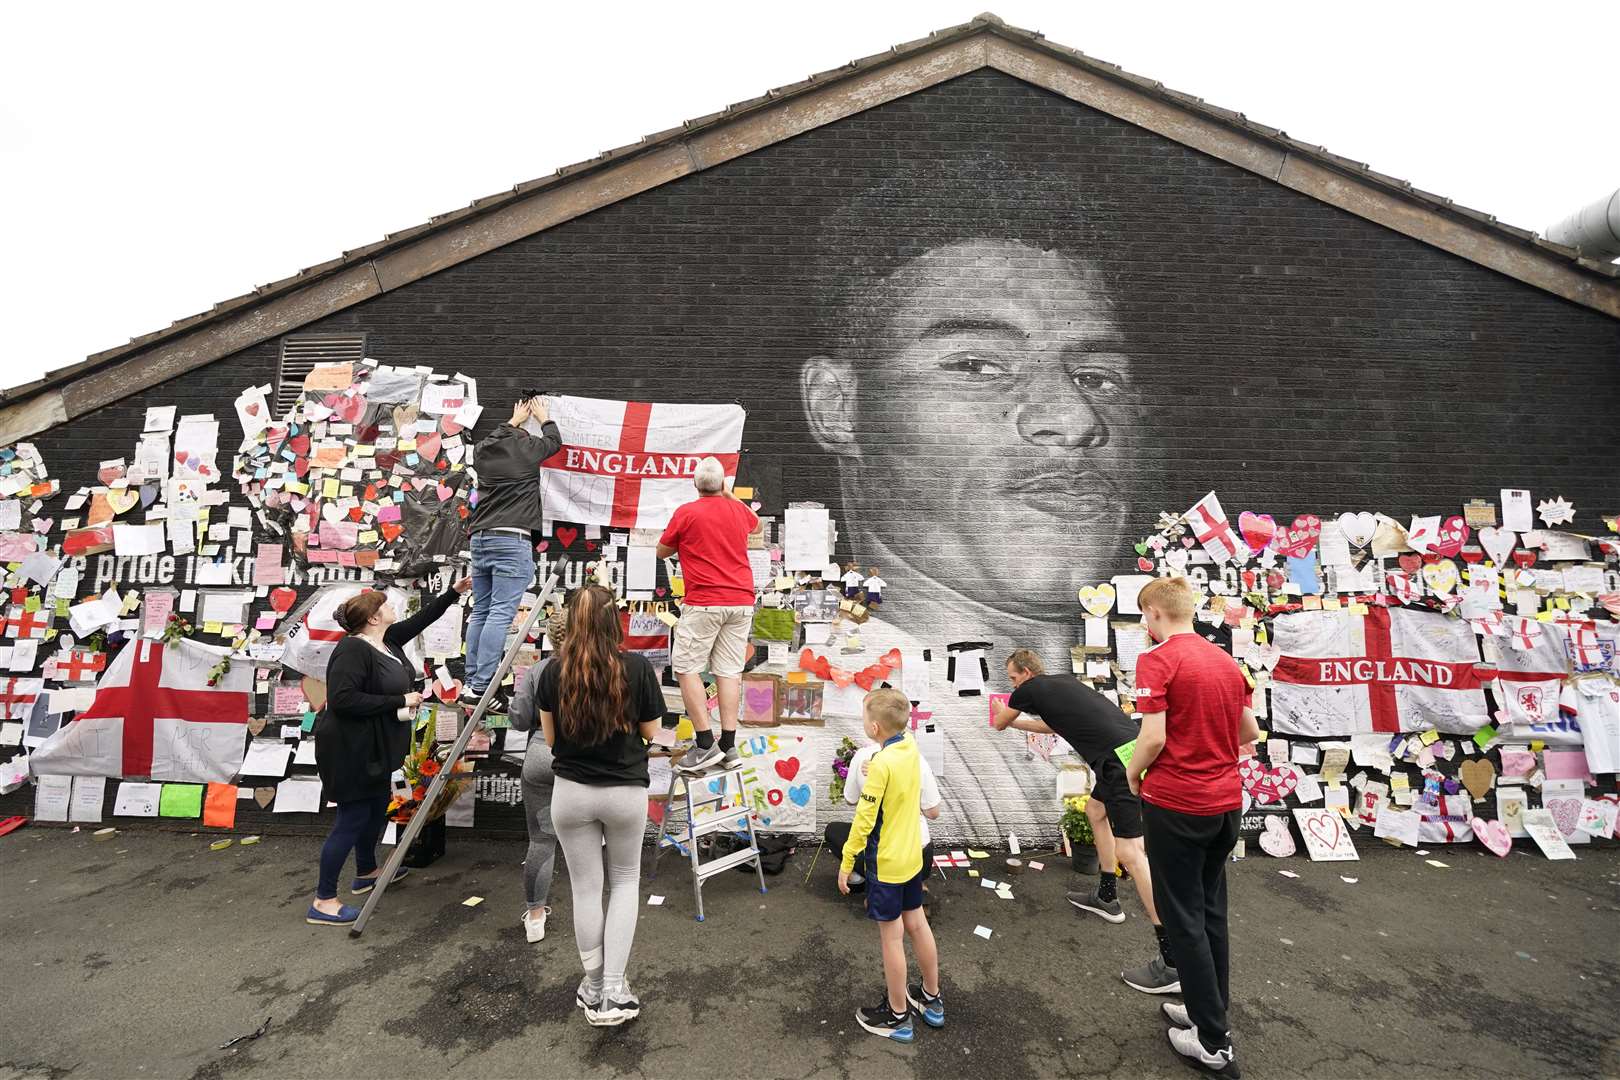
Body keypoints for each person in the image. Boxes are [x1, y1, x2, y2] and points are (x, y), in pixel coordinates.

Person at [796, 158, 1145, 838]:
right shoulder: (826, 738)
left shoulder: (1143, 700)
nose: (1074, 419)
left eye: (1100, 376)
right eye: (976, 367)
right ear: (839, 408)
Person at [1125, 576, 1257, 1077]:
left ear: (1157, 612)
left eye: (1143, 615)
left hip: (1178, 805)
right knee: (1210, 913)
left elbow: (1152, 737)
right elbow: (1248, 731)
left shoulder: (1157, 660)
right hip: (1225, 804)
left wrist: (1133, 775)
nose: (1143, 624)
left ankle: (1213, 1043)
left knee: (1183, 921)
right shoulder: (1225, 660)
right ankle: (1210, 1012)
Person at [992, 649, 1176, 988]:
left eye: (1013, 677)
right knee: (1095, 810)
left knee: (1132, 854)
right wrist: (1017, 720)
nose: (1012, 684)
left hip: (1119, 765)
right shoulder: (1061, 683)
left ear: (1027, 674)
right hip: (1124, 753)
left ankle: (1173, 959)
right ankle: (1107, 896)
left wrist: (1003, 713)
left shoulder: (1028, 690)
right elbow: (1050, 726)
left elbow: (1000, 723)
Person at [537, 584, 666, 1026]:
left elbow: (551, 741)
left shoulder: (553, 672)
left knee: (585, 890)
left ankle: (591, 985)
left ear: (572, 620)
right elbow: (651, 731)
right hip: (625, 792)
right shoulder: (637, 668)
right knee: (625, 883)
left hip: (570, 793)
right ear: (617, 620)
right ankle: (614, 988)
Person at [308, 577, 471, 926]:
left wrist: (454, 593)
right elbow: (342, 699)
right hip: (350, 749)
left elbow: (421, 619)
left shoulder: (388, 642)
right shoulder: (353, 649)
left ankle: (366, 872)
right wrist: (400, 700)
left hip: (377, 745)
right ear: (372, 618)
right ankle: (323, 900)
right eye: (385, 605)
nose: (392, 607)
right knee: (351, 819)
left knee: (375, 810)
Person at [838, 688, 943, 1042]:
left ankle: (898, 1016)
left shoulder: (880, 763)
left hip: (886, 862)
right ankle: (931, 999)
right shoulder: (910, 748)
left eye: (866, 717)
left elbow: (863, 820)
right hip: (914, 855)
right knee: (917, 923)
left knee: (892, 937)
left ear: (874, 728)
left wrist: (847, 862)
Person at [655, 456, 761, 772]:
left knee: (687, 667)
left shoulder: (687, 512)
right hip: (741, 600)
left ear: (695, 484)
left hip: (704, 601)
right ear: (723, 485)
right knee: (729, 671)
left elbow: (662, 550)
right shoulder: (738, 511)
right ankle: (728, 745)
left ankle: (704, 744)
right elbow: (754, 523)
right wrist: (728, 494)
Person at [462, 389, 562, 710]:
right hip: (511, 539)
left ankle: (470, 683)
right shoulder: (527, 448)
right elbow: (554, 441)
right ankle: (481, 687)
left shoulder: (483, 450)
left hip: (480, 538)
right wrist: (544, 416)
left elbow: (498, 435)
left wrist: (514, 420)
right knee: (500, 615)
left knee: (481, 611)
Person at [826, 723, 942, 895]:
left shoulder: (869, 759)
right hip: (918, 855)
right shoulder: (915, 757)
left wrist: (847, 863)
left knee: (839, 831)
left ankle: (875, 888)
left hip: (888, 859)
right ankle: (913, 886)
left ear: (874, 727)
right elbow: (933, 812)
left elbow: (857, 809)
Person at [507, 643, 563, 945]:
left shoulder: (540, 669)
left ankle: (536, 917)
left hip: (541, 754)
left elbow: (519, 718)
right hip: (585, 761)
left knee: (542, 839)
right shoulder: (602, 664)